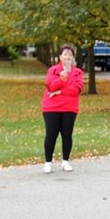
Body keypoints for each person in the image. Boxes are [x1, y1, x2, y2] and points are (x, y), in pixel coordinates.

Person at [41, 44, 84, 174]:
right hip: (51, 107)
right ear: (60, 56)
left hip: (69, 107)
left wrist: (60, 92)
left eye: (70, 55)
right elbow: (50, 87)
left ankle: (65, 161)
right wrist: (61, 79)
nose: (67, 57)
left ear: (73, 58)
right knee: (51, 133)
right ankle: (48, 163)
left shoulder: (77, 72)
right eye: (65, 54)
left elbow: (77, 89)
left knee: (67, 134)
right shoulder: (53, 70)